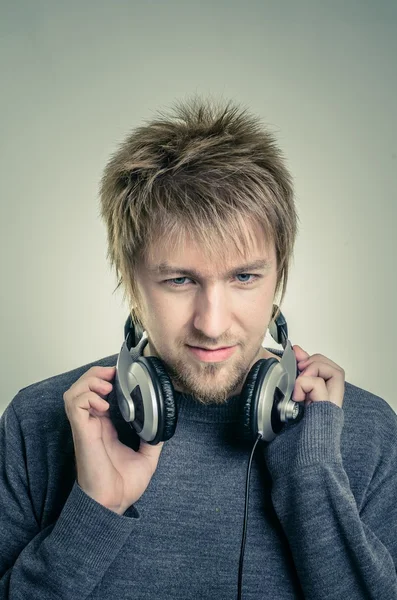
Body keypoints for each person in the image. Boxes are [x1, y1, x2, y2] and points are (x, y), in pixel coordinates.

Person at [1, 96, 396, 600]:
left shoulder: (365, 432)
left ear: (280, 277)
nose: (211, 324)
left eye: (245, 277)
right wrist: (94, 512)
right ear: (131, 282)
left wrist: (314, 484)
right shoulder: (37, 421)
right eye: (180, 280)